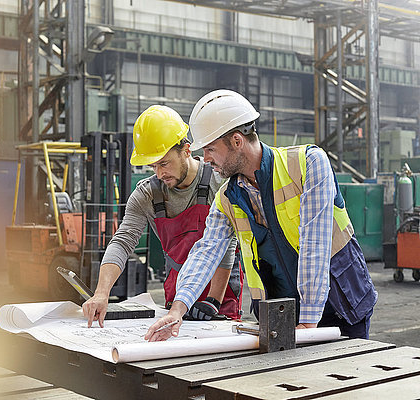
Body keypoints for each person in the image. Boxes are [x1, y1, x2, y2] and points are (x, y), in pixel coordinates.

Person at [145, 89, 378, 341]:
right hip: (283, 315)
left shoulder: (308, 164)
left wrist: (309, 323)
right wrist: (179, 309)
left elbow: (315, 244)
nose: (206, 159)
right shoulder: (227, 197)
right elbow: (206, 251)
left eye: (211, 149)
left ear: (236, 141)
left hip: (341, 305)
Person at [82, 105, 240, 328]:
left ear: (186, 149)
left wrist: (213, 301)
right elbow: (123, 241)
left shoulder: (218, 183)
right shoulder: (147, 194)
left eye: (164, 163)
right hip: (175, 293)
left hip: (220, 293)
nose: (159, 173)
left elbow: (226, 244)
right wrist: (101, 293)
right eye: (153, 166)